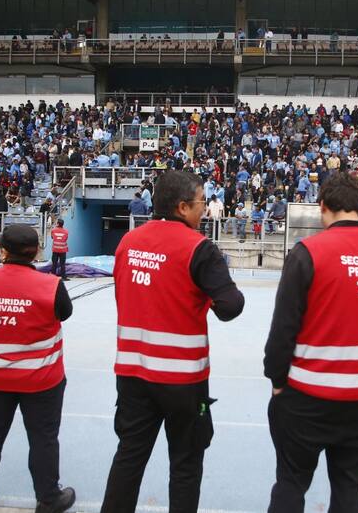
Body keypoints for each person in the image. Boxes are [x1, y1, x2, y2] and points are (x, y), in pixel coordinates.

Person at [263, 173, 358, 513]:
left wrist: (277, 380)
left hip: (308, 393)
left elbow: (283, 328)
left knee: (291, 482)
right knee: (349, 487)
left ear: (322, 207)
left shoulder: (308, 252)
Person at [101, 170, 245, 513]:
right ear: (182, 207)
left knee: (129, 457)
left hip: (133, 374)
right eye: (201, 203)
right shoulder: (199, 247)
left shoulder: (128, 242)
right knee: (185, 463)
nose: (204, 210)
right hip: (182, 379)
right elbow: (231, 306)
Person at [0, 225, 76, 513]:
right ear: (36, 252)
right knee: (43, 438)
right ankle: (48, 498)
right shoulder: (51, 285)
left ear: (2, 251)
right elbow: (64, 313)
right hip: (41, 378)